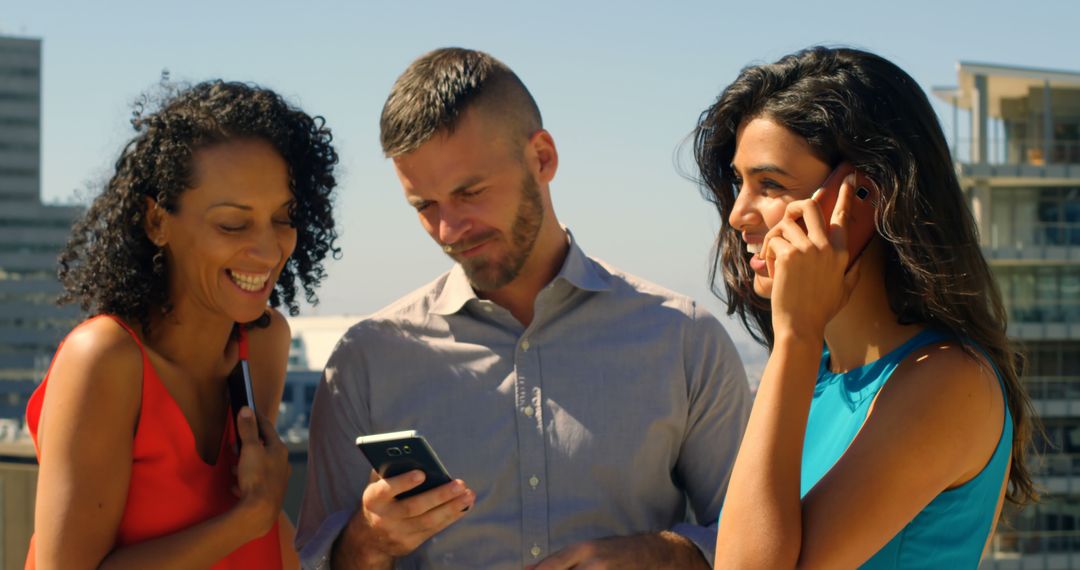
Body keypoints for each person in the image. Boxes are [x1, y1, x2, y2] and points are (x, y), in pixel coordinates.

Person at [296, 47, 751, 570]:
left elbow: (757, 543)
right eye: (425, 206)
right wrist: (367, 542)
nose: (448, 229)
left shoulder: (683, 339)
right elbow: (312, 560)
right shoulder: (367, 360)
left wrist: (660, 556)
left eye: (470, 192)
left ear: (542, 158)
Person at [691, 46, 1037, 568]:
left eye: (770, 185)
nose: (739, 214)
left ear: (863, 194)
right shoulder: (821, 375)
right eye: (740, 184)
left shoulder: (948, 382)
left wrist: (796, 336)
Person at [26, 80, 339, 569]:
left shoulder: (266, 341)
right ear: (156, 222)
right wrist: (252, 515)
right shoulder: (104, 360)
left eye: (284, 217)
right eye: (233, 224)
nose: (268, 248)